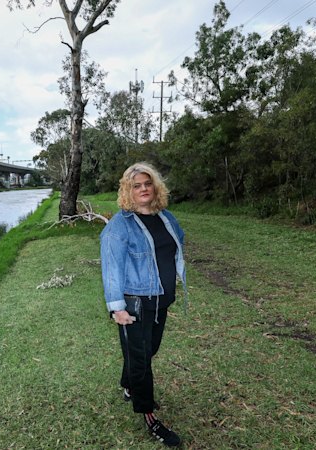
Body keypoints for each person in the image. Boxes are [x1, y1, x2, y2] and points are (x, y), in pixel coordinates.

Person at [100, 162, 187, 447]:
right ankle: (149, 414)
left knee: (149, 350)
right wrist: (117, 307)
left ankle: (128, 386)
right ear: (128, 190)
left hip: (161, 299)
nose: (143, 189)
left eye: (147, 183)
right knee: (140, 359)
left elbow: (178, 242)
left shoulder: (166, 217)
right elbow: (112, 268)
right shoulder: (119, 227)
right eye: (136, 186)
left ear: (155, 186)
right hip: (134, 303)